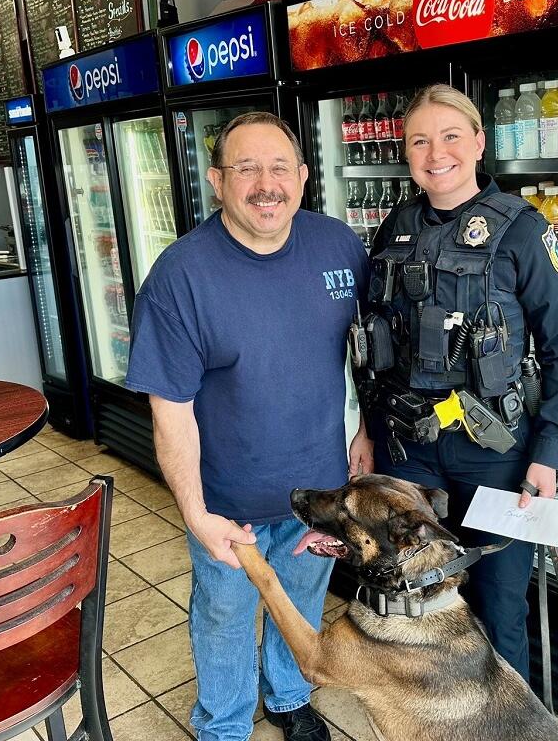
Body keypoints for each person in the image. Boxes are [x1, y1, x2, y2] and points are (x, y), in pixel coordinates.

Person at [126, 111, 372, 741]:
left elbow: (360, 358)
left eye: (279, 167)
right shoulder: (180, 277)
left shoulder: (339, 246)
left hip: (319, 491)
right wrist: (195, 512)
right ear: (217, 181)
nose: (266, 184)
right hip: (229, 504)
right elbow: (170, 406)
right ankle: (225, 725)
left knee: (300, 605)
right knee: (225, 618)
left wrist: (361, 434)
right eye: (246, 168)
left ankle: (289, 698)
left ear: (304, 176)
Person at [358, 84, 558, 681]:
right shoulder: (397, 225)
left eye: (451, 136)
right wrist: (364, 431)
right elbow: (372, 336)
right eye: (420, 141)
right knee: (413, 595)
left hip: (495, 451)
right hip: (408, 446)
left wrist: (549, 453)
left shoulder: (522, 230)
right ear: (406, 153)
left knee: (499, 603)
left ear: (479, 143)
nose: (437, 153)